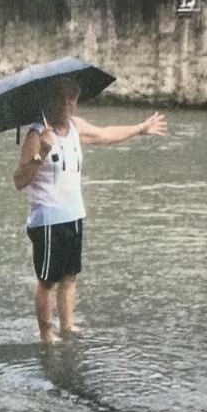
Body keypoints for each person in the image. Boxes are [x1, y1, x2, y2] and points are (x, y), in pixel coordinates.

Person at [13, 79, 167, 343]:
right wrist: (43, 152)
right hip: (47, 219)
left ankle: (67, 326)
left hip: (73, 215)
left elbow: (105, 134)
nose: (67, 104)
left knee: (70, 276)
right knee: (47, 281)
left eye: (71, 98)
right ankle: (46, 334)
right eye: (60, 98)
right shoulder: (36, 134)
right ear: (48, 102)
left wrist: (140, 129)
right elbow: (19, 180)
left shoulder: (75, 127)